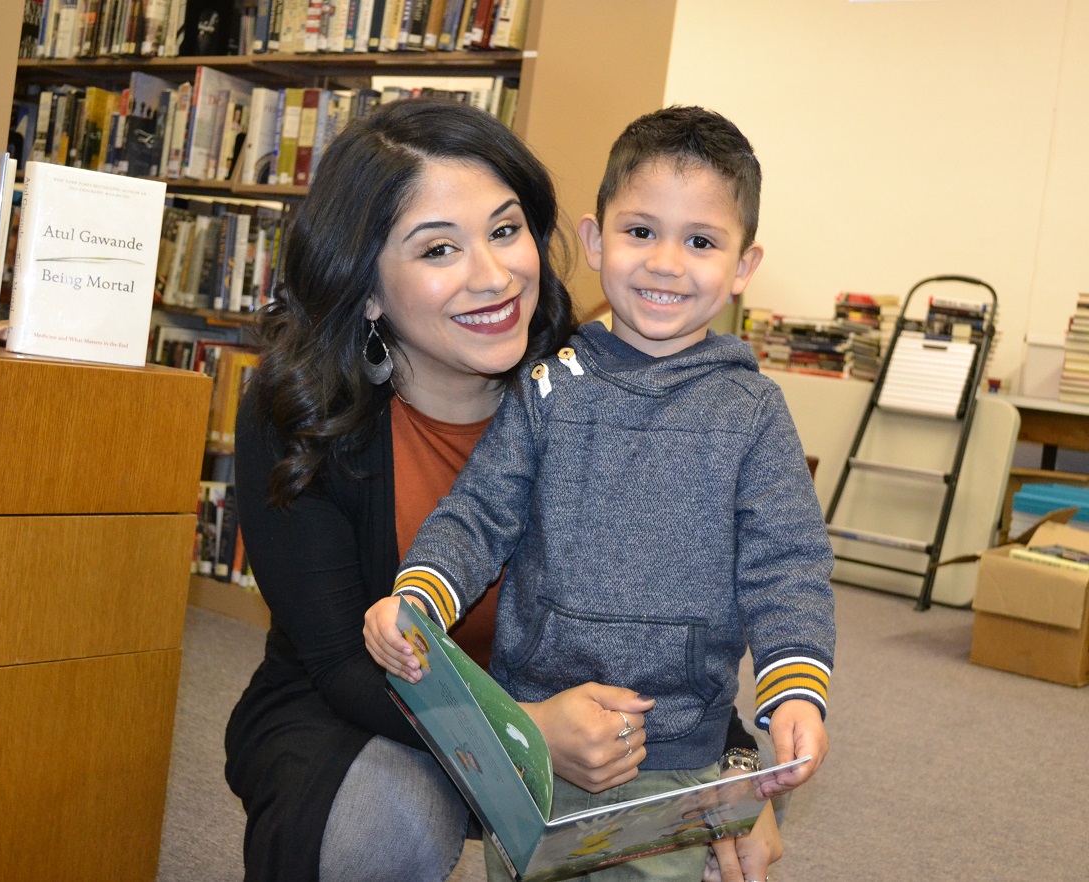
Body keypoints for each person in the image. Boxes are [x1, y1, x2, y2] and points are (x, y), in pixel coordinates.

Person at [226, 98, 783, 882]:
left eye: (505, 230)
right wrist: (525, 733)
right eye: (438, 250)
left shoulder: (586, 383)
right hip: (367, 710)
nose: (494, 277)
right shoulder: (302, 411)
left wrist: (729, 768)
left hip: (578, 706)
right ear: (369, 287)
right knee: (386, 822)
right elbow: (344, 663)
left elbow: (667, 599)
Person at [366, 105, 835, 881]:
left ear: (744, 267)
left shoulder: (753, 414)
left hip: (679, 749)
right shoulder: (549, 387)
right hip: (540, 743)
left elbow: (787, 565)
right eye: (641, 231)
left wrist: (796, 691)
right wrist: (419, 600)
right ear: (594, 240)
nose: (665, 264)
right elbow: (479, 514)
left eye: (702, 242)